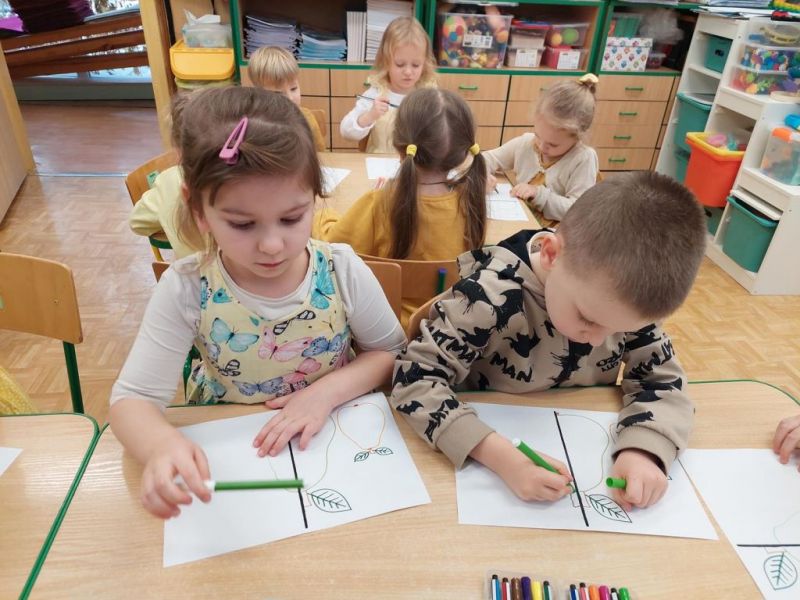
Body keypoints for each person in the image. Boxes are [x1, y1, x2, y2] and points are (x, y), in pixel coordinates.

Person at [109, 86, 406, 519]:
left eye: (291, 218)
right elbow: (132, 400)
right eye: (243, 224)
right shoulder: (186, 288)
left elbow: (391, 352)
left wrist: (324, 394)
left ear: (314, 198)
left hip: (332, 445)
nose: (271, 245)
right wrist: (159, 446)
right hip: (232, 454)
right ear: (198, 210)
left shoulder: (340, 269)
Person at [390, 171, 706, 512]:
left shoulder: (617, 304)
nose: (598, 339)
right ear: (551, 254)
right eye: (588, 319)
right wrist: (499, 456)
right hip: (473, 473)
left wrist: (644, 448)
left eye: (619, 329)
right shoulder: (486, 299)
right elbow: (415, 379)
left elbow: (662, 380)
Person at [319, 88, 487, 325]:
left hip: (384, 326)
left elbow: (332, 246)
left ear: (399, 146)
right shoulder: (472, 203)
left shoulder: (379, 203)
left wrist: (323, 216)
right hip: (447, 325)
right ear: (462, 153)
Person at [484, 74, 600, 222]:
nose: (541, 146)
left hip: (555, 233)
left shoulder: (583, 158)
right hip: (520, 223)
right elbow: (486, 159)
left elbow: (579, 211)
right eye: (538, 136)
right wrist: (483, 174)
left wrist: (539, 195)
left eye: (553, 144)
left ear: (578, 137)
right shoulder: (527, 143)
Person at [339, 16, 437, 154]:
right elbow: (345, 132)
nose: (408, 72)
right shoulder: (376, 93)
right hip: (379, 163)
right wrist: (370, 116)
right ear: (386, 62)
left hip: (416, 164)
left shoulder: (429, 94)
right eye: (400, 64)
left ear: (425, 63)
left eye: (416, 65)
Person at [128, 93, 202, 259]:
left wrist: (168, 219)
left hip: (191, 272)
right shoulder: (243, 179)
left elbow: (137, 223)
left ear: (177, 147)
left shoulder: (167, 181)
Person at [247, 45, 327, 151]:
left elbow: (320, 154)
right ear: (259, 93)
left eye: (294, 89)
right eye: (278, 94)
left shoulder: (307, 119)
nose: (290, 99)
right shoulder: (252, 125)